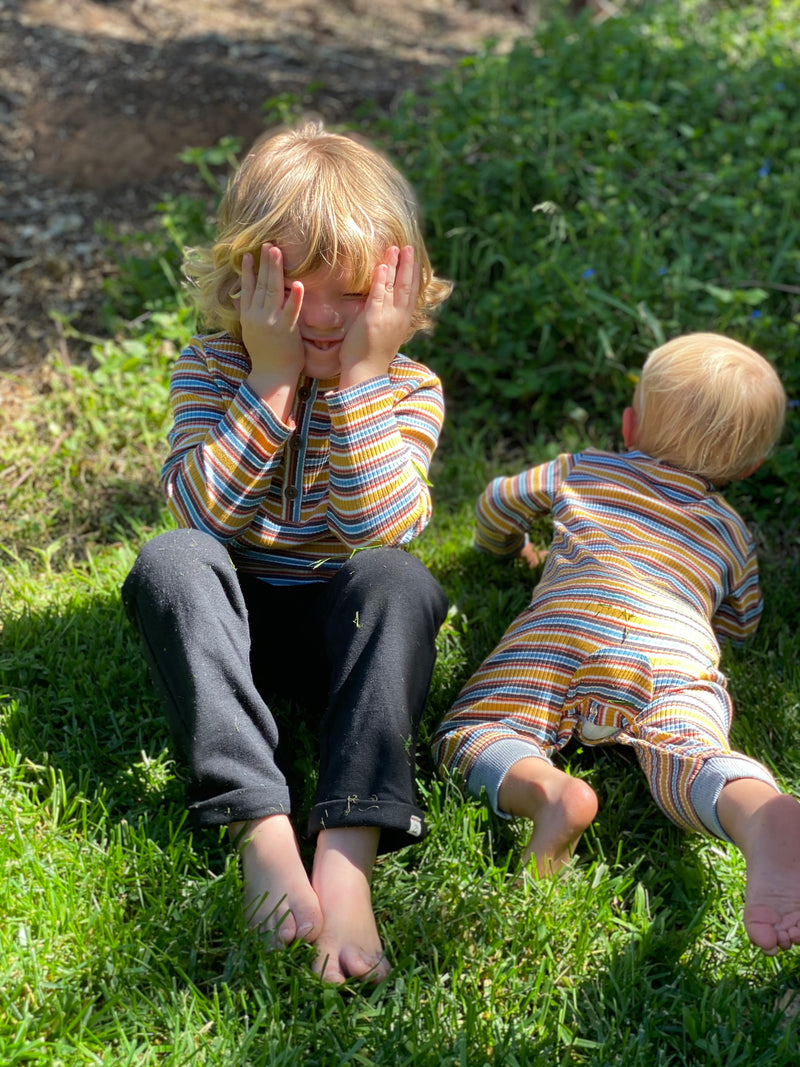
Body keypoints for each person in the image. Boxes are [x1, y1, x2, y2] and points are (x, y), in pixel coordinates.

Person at [122, 121, 452, 983]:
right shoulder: (209, 370)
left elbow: (382, 522)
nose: (333, 318)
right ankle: (263, 829)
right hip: (231, 635)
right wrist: (269, 384)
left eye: (359, 294)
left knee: (399, 578)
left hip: (342, 634)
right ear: (248, 284)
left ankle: (347, 853)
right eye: (303, 291)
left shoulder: (408, 389)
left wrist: (362, 386)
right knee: (171, 562)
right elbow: (202, 510)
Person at [433, 332, 800, 956]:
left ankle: (549, 794)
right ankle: (754, 809)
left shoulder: (585, 468)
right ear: (748, 470)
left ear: (629, 426)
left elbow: (497, 500)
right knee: (689, 750)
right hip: (674, 651)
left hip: (566, 626)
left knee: (475, 731)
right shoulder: (733, 532)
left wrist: (508, 550)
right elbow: (742, 624)